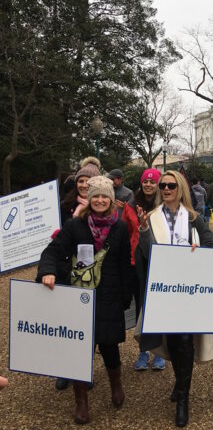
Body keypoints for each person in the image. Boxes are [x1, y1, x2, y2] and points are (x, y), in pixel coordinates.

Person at [37, 176, 131, 424]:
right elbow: (52, 252)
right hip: (80, 296)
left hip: (109, 294)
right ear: (90, 199)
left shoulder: (120, 227)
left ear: (111, 199)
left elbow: (124, 263)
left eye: (104, 196)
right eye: (96, 196)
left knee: (109, 345)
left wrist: (125, 297)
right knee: (79, 348)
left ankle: (116, 384)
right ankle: (81, 401)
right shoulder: (75, 225)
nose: (100, 200)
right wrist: (47, 271)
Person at [134, 170, 213, 427]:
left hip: (188, 291)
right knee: (170, 341)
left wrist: (199, 251)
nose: (166, 189)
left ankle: (183, 398)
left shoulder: (194, 219)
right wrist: (145, 230)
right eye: (163, 185)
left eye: (171, 185)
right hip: (163, 291)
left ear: (180, 188)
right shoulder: (150, 217)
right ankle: (180, 381)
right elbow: (146, 255)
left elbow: (212, 248)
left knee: (184, 341)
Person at [54, 156, 102, 391]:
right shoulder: (65, 206)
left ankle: (83, 368)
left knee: (87, 323)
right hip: (66, 270)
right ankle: (65, 368)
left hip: (90, 273)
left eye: (88, 181)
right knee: (66, 321)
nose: (84, 184)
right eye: (81, 180)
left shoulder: (101, 206)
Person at [122, 168, 166, 371]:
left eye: (153, 182)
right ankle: (143, 350)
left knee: (158, 305)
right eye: (145, 182)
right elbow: (124, 231)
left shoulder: (164, 206)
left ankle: (158, 351)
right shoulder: (131, 205)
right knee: (141, 306)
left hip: (158, 260)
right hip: (135, 260)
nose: (148, 185)